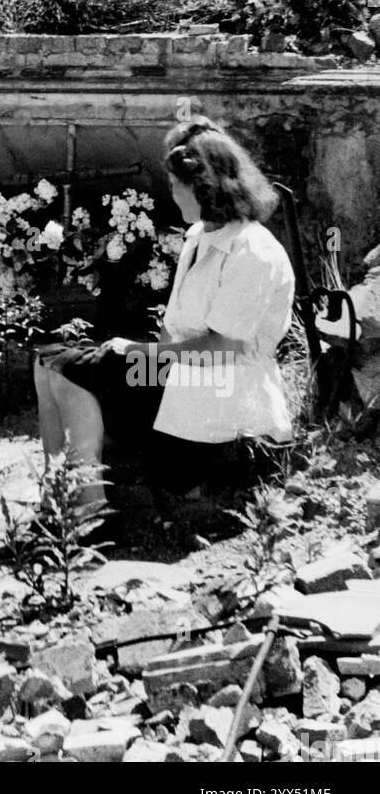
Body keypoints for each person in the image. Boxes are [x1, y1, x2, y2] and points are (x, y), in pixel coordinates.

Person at [34, 117, 296, 511]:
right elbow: (176, 334)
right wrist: (141, 362)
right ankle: (56, 495)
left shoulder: (252, 251)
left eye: (177, 185)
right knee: (49, 361)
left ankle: (88, 508)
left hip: (225, 393)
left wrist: (139, 354)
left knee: (79, 369)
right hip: (182, 377)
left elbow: (223, 348)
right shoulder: (199, 237)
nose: (172, 193)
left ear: (205, 188)